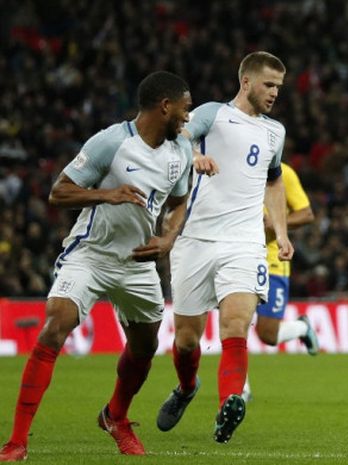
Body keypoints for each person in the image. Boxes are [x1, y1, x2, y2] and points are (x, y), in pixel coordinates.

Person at [0, 71, 193, 461]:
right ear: (165, 106)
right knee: (56, 325)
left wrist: (168, 240)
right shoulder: (112, 142)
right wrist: (107, 194)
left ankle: (115, 417)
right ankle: (17, 442)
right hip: (91, 254)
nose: (188, 118)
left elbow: (179, 204)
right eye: (186, 109)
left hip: (138, 263)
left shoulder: (181, 153)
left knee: (146, 345)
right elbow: (59, 192)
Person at [155, 51, 294, 444]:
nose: (274, 94)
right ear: (246, 82)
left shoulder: (274, 132)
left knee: (235, 323)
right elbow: (176, 133)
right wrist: (194, 155)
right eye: (268, 85)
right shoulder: (213, 113)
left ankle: (228, 404)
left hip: (244, 242)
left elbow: (274, 181)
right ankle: (185, 388)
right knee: (186, 339)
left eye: (278, 88)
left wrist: (281, 232)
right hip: (195, 239)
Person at [242, 161, 318, 402]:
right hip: (240, 256)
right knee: (235, 322)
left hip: (273, 261)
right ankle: (240, 389)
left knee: (267, 335)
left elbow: (306, 213)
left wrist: (276, 224)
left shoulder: (285, 173)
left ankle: (302, 328)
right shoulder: (239, 166)